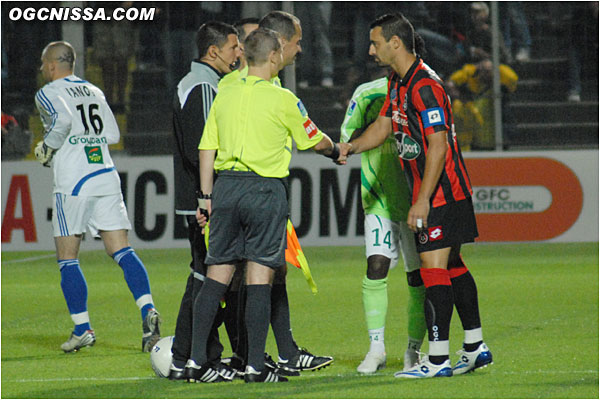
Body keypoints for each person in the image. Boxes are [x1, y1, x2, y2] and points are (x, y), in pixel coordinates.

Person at [337, 13, 492, 379]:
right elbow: (384, 125)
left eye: (375, 42)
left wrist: (421, 199)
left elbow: (437, 146)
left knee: (433, 269)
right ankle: (474, 346)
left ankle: (437, 360)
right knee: (452, 265)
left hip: (441, 194)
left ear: (395, 43)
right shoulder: (397, 82)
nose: (370, 49)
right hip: (439, 192)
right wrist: (351, 147)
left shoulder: (424, 85)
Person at [188, 27, 340, 384]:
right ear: (273, 57)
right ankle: (255, 366)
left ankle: (196, 362)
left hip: (225, 189)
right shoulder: (282, 98)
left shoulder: (224, 92)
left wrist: (206, 198)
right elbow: (311, 139)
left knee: (216, 277)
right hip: (264, 191)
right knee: (260, 277)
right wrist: (336, 149)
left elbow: (205, 147)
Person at [33, 41, 161, 353]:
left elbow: (61, 123)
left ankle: (82, 329)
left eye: (42, 65)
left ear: (51, 66)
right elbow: (114, 134)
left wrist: (47, 148)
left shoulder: (47, 92)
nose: (41, 70)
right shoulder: (94, 90)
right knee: (122, 250)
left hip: (73, 181)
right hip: (105, 175)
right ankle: (148, 311)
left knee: (67, 258)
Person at [169, 21, 242, 381]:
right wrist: (208, 198)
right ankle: (194, 357)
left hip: (199, 198)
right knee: (208, 279)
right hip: (204, 201)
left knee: (204, 275)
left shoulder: (195, 82)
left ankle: (193, 355)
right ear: (213, 51)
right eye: (233, 47)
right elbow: (203, 148)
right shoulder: (203, 86)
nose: (238, 54)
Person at [340, 70, 426, 374]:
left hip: (416, 197)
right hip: (378, 197)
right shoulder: (367, 93)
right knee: (376, 267)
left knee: (418, 277)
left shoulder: (422, 89)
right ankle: (376, 349)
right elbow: (346, 136)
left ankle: (413, 350)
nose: (374, 51)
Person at [447, 58, 518, 150]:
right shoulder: (471, 78)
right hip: (475, 138)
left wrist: (497, 67)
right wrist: (474, 69)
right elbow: (451, 81)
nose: (487, 74)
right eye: (484, 71)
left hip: (496, 133)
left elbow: (512, 79)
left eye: (489, 71)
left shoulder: (499, 85)